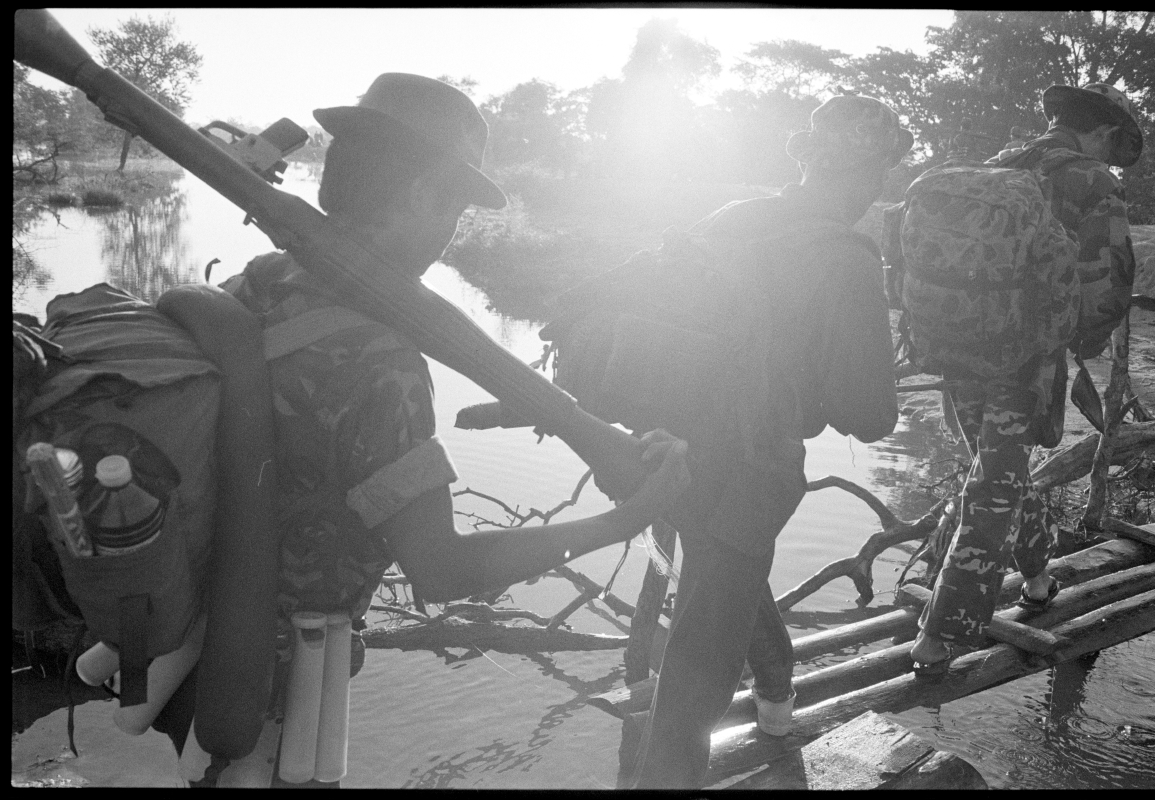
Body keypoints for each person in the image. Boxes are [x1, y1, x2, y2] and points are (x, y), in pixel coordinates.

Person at [158, 73, 692, 782]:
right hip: (274, 674)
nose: (451, 235)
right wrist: (619, 524)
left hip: (189, 621)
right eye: (455, 211)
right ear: (418, 195)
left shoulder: (260, 278)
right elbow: (441, 569)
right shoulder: (385, 366)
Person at [628, 94, 905, 789]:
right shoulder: (845, 259)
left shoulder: (733, 217)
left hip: (661, 444)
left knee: (711, 592)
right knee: (695, 682)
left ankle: (774, 696)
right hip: (744, 470)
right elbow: (871, 415)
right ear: (871, 175)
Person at [908, 83, 1143, 676]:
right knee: (995, 484)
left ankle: (1037, 580)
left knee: (996, 466)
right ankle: (939, 637)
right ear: (1102, 133)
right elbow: (1109, 278)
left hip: (958, 342)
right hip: (1023, 357)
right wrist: (1081, 343)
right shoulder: (1091, 180)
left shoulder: (1000, 164)